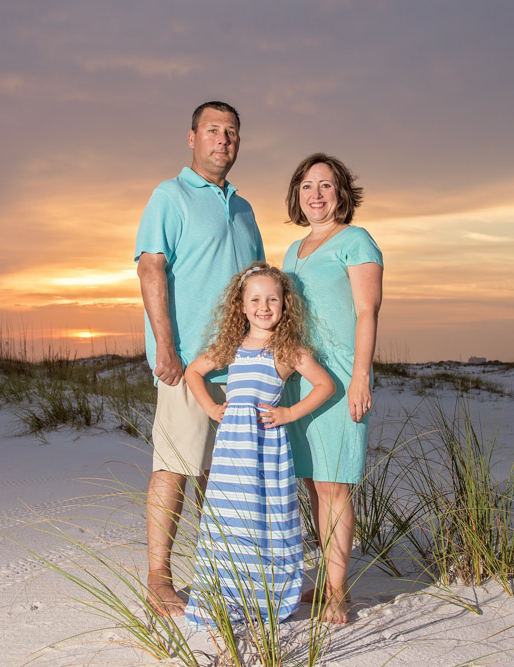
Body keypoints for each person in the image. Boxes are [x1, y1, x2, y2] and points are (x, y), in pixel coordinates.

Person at [134, 101, 265, 617]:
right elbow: (150, 269)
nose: (223, 140)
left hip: (243, 366)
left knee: (226, 473)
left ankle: (225, 573)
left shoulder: (244, 208)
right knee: (175, 466)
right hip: (189, 363)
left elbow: (259, 287)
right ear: (192, 137)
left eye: (231, 132)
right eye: (213, 130)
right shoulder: (170, 195)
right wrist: (165, 345)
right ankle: (159, 581)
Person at [183, 262, 334, 630]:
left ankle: (267, 595)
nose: (263, 306)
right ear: (241, 305)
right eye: (255, 299)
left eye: (272, 299)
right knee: (229, 518)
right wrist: (211, 407)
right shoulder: (232, 347)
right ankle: (227, 594)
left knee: (267, 516)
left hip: (266, 449)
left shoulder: (288, 350)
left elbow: (325, 385)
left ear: (284, 304)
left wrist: (289, 414)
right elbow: (192, 372)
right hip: (232, 450)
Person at [280, 153, 383, 624]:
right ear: (296, 195)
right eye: (306, 186)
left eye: (325, 185)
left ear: (342, 192)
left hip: (340, 377)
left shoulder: (356, 241)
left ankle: (338, 592)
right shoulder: (292, 251)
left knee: (333, 483)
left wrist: (360, 375)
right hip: (300, 378)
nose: (315, 194)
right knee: (311, 482)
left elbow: (367, 312)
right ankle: (326, 577)